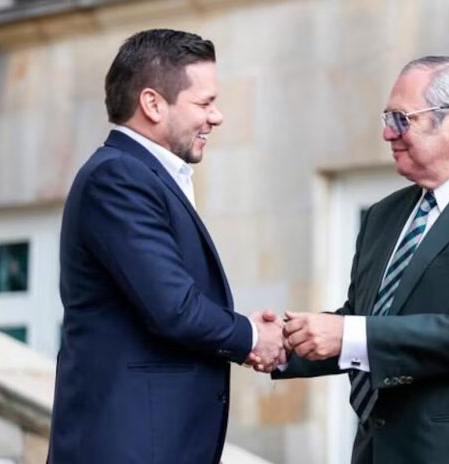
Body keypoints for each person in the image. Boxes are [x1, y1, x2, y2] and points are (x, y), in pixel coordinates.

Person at [276, 56, 449, 463]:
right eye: (386, 119)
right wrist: (273, 341)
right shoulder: (384, 215)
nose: (386, 133)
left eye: (400, 119)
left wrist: (347, 333)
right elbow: (364, 319)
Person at [48, 29, 284, 464]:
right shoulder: (117, 177)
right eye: (204, 103)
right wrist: (252, 336)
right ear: (153, 104)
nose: (217, 117)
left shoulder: (143, 175)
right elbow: (173, 308)